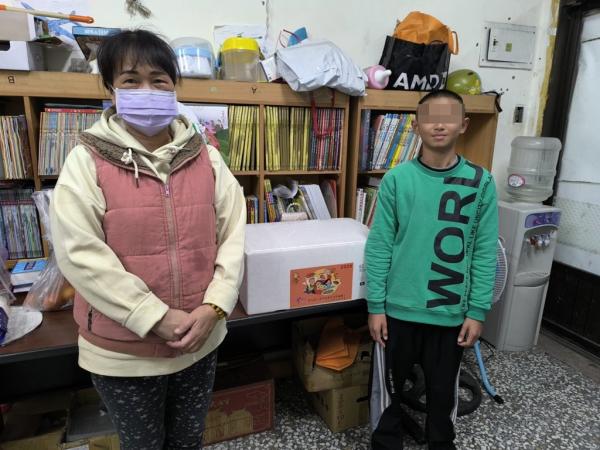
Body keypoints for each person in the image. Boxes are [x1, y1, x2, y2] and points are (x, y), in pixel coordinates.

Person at [50, 29, 245, 450]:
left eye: (159, 80)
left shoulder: (206, 156)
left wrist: (215, 306)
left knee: (188, 440)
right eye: (131, 80)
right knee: (142, 444)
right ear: (110, 88)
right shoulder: (86, 160)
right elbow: (79, 252)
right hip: (123, 354)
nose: (147, 91)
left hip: (200, 339)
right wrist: (152, 316)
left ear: (175, 86)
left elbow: (233, 233)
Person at [366, 89, 498, 449]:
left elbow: (485, 251)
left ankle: (441, 443)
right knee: (389, 389)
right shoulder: (396, 180)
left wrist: (477, 311)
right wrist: (376, 305)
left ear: (464, 125)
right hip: (397, 311)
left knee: (443, 393)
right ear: (416, 126)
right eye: (430, 118)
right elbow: (379, 246)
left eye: (449, 118)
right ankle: (386, 443)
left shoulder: (482, 182)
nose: (439, 125)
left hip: (450, 313)